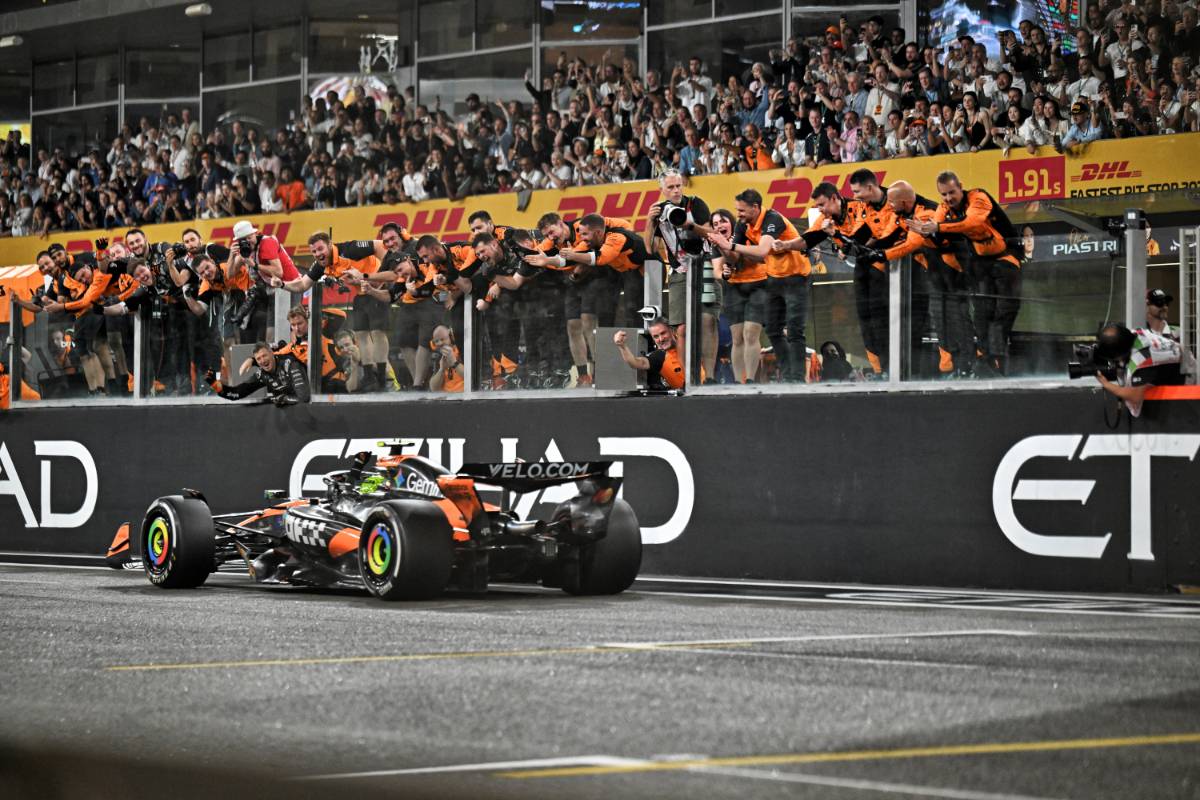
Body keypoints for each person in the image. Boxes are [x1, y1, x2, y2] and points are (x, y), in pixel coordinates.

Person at [912, 170, 1022, 376]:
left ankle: (992, 357)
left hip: (1006, 257)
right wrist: (925, 233)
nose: (948, 198)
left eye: (951, 192)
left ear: (960, 187)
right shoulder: (943, 209)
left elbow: (972, 222)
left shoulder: (978, 197)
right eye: (943, 194)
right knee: (982, 314)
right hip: (980, 264)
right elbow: (938, 237)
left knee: (1005, 309)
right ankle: (985, 361)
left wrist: (937, 227)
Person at [644, 169, 718, 383]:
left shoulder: (695, 203)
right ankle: (690, 379)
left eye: (678, 186)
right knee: (682, 329)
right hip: (678, 273)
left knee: (708, 322)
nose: (676, 190)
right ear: (662, 189)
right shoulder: (659, 211)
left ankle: (709, 377)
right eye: (671, 187)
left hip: (704, 267)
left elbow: (711, 234)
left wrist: (688, 224)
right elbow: (649, 249)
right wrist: (650, 221)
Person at [1094, 319, 1184, 417]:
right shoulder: (1135, 335)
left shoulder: (1141, 362)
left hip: (1183, 391)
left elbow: (1135, 397)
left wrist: (1105, 384)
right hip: (1180, 364)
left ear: (1119, 354)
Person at [206, 341, 310, 406]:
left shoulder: (290, 364)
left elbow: (304, 398)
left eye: (264, 356)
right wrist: (215, 385)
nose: (262, 361)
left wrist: (284, 399)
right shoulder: (261, 374)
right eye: (258, 359)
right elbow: (236, 393)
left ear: (272, 353)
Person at [612, 318, 685, 391]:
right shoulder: (659, 356)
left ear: (672, 330)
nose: (661, 339)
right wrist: (622, 346)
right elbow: (635, 362)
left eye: (663, 333)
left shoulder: (689, 344)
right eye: (656, 336)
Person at [429, 325, 465, 393]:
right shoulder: (440, 357)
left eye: (443, 339)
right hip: (447, 397)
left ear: (451, 336)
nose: (440, 343)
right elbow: (433, 388)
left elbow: (471, 379)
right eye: (436, 341)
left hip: (464, 395)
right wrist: (441, 370)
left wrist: (454, 363)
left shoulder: (463, 350)